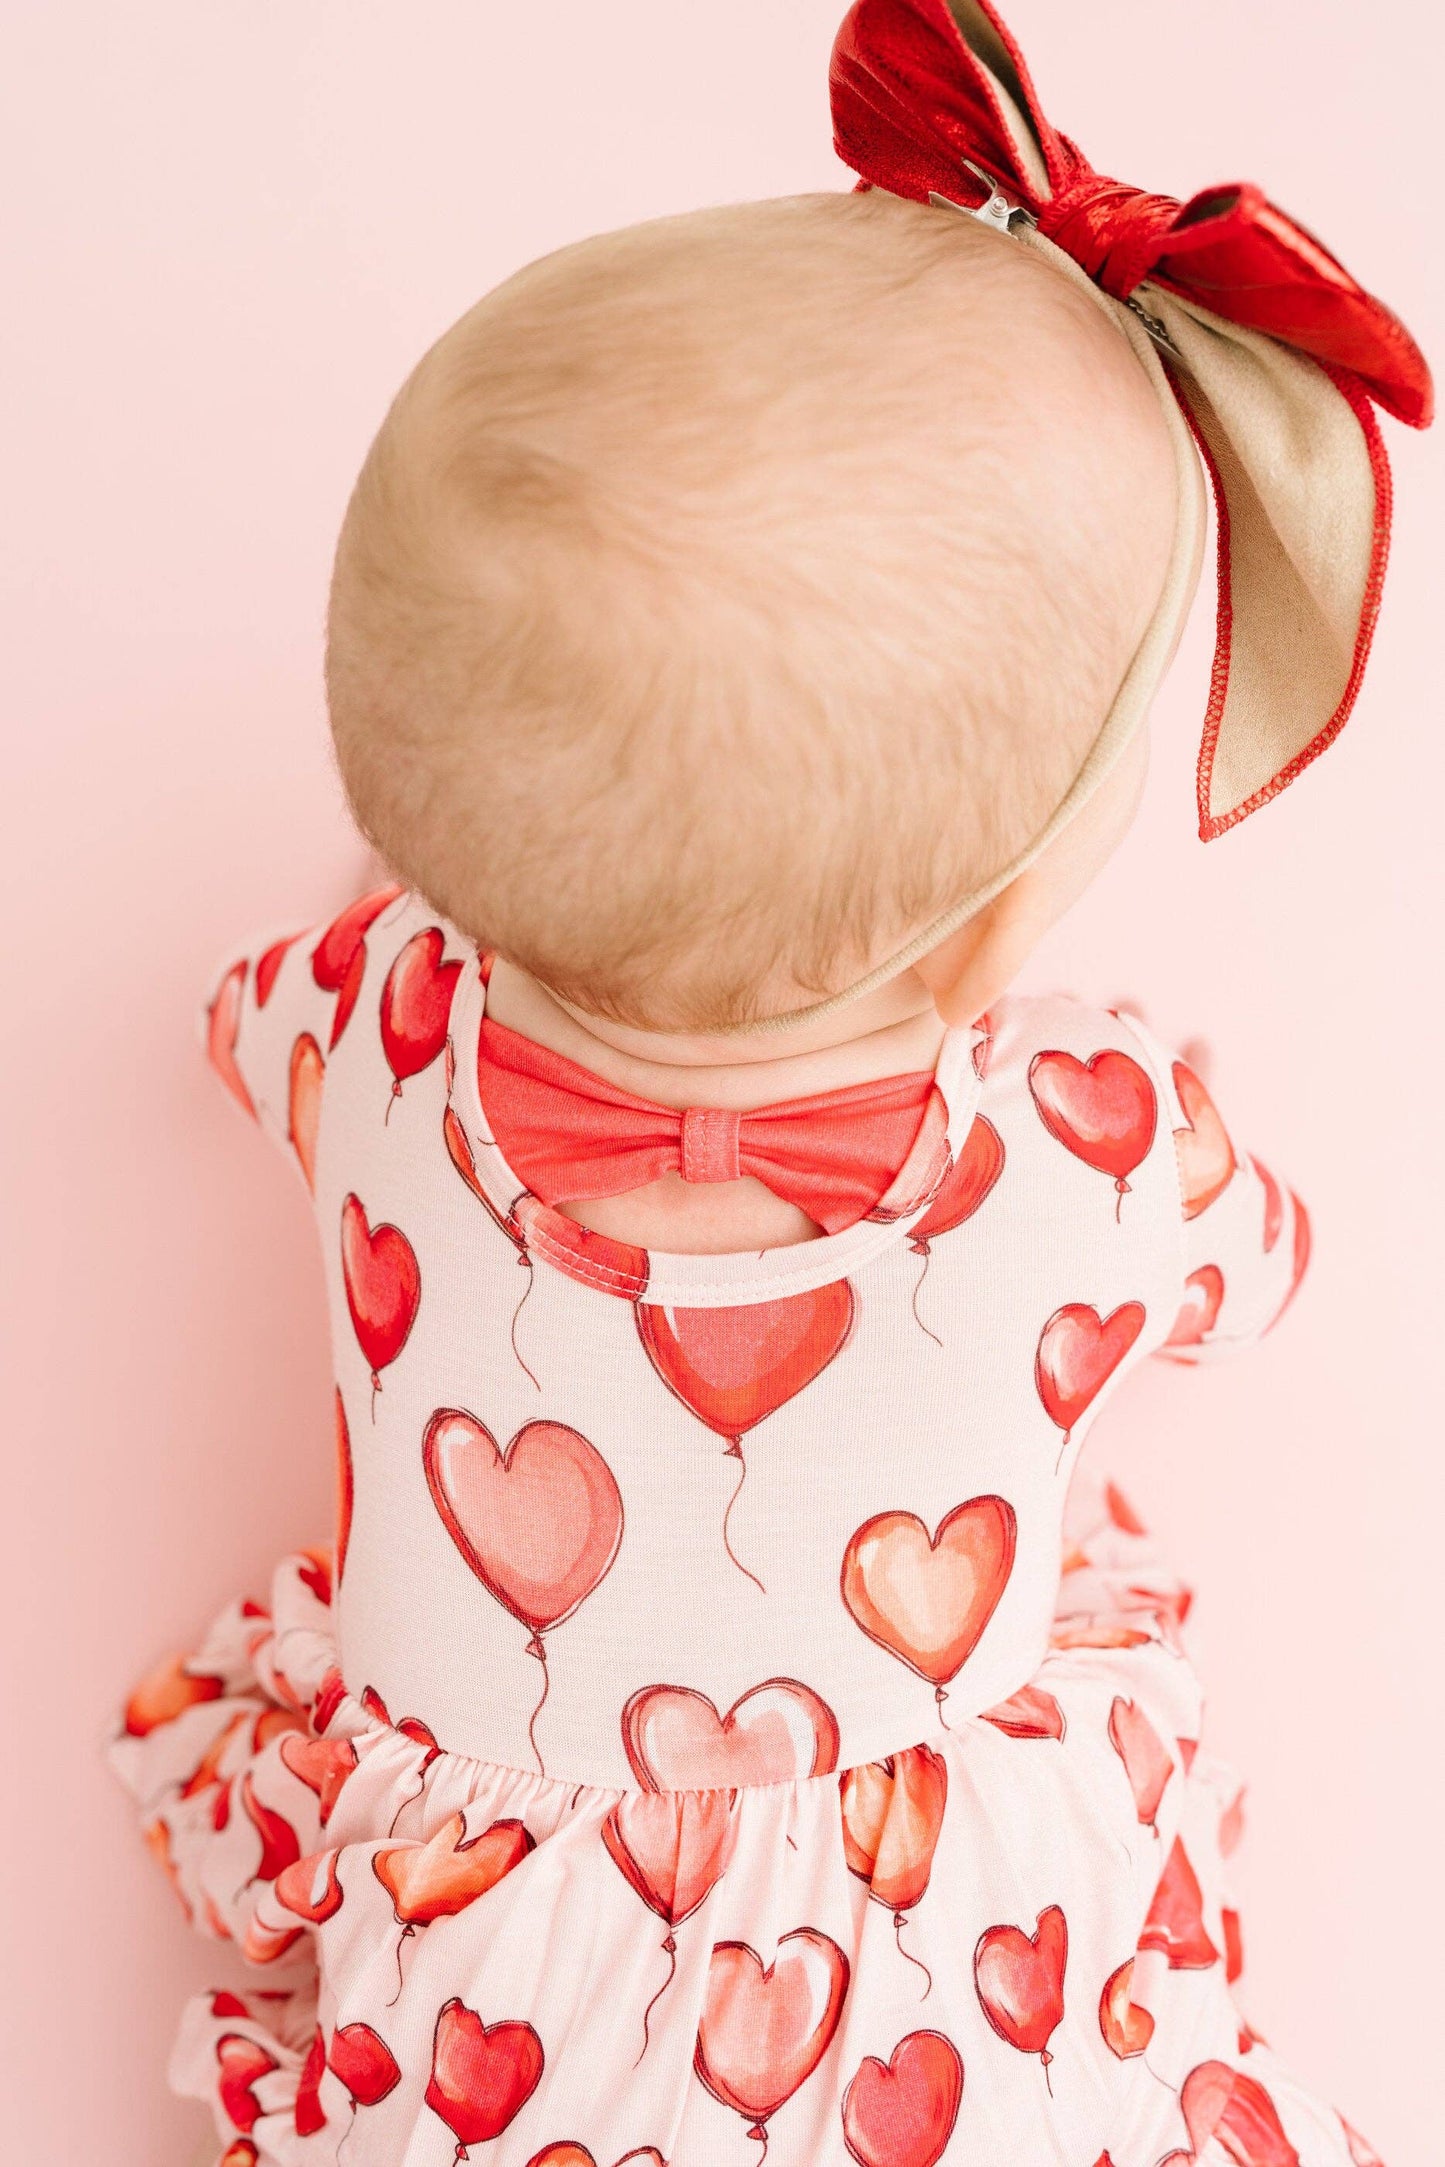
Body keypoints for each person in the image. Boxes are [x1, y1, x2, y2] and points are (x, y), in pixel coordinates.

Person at [111, 3, 1430, 2162]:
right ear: (991, 942)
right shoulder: (1085, 1156)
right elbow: (1259, 1259)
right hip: (940, 1966)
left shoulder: (370, 1022)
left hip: (497, 1989)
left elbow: (231, 1024)